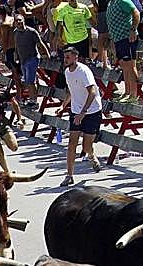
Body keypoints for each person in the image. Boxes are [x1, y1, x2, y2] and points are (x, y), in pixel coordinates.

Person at [60, 45, 103, 185]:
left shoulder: (83, 71)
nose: (65, 60)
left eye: (68, 57)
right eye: (64, 57)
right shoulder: (67, 72)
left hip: (92, 111)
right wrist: (63, 105)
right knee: (72, 142)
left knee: (86, 147)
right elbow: (71, 91)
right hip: (75, 111)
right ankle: (69, 175)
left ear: (76, 57)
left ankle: (91, 155)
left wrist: (83, 112)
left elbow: (92, 92)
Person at [107, 0, 142, 99]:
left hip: (127, 38)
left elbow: (136, 13)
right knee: (124, 66)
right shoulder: (111, 3)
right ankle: (127, 93)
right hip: (118, 39)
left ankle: (133, 95)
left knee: (131, 66)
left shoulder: (123, 1)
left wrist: (133, 29)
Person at [13, 14, 47, 105]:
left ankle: (34, 101)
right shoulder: (15, 32)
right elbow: (16, 46)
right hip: (22, 60)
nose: (18, 22)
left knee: (30, 81)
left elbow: (40, 44)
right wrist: (16, 56)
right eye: (16, 21)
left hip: (32, 58)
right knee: (27, 81)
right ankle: (31, 99)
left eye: (20, 20)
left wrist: (47, 54)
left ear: (23, 20)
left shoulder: (31, 31)